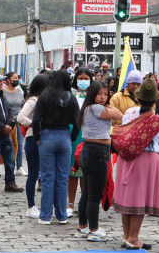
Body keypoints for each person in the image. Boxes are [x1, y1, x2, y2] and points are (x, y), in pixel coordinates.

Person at [111, 78, 159, 250]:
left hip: (126, 158)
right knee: (139, 199)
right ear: (155, 100)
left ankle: (126, 237)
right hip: (146, 159)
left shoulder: (130, 113)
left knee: (127, 197)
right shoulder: (158, 121)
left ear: (138, 98)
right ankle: (134, 238)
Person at [75, 81, 122, 241]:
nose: (103, 97)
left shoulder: (88, 108)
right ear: (92, 94)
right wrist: (108, 105)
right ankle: (94, 229)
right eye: (99, 94)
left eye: (105, 93)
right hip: (97, 152)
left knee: (87, 193)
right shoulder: (96, 108)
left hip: (89, 150)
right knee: (95, 195)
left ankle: (83, 227)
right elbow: (119, 114)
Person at [32, 69, 80, 223]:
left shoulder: (44, 96)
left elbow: (35, 120)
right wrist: (71, 137)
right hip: (65, 136)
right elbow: (77, 122)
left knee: (47, 177)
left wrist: (38, 137)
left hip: (47, 136)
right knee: (62, 178)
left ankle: (45, 215)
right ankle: (61, 215)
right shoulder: (71, 98)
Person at [17, 74, 48, 219]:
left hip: (44, 139)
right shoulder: (33, 100)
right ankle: (31, 206)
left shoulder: (41, 99)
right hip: (33, 139)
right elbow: (20, 117)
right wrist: (37, 125)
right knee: (33, 174)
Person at [68, 69, 91, 216]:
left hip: (89, 133)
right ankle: (70, 202)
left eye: (86, 78)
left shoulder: (93, 95)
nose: (83, 81)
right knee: (72, 169)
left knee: (86, 170)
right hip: (73, 133)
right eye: (80, 78)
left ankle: (86, 201)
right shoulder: (70, 95)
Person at [3, 71, 26, 178]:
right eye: (14, 78)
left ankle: (19, 167)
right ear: (8, 80)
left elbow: (23, 104)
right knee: (9, 145)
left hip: (19, 121)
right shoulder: (2, 92)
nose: (17, 80)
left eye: (17, 78)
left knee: (20, 144)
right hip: (8, 122)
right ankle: (9, 166)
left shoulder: (20, 90)